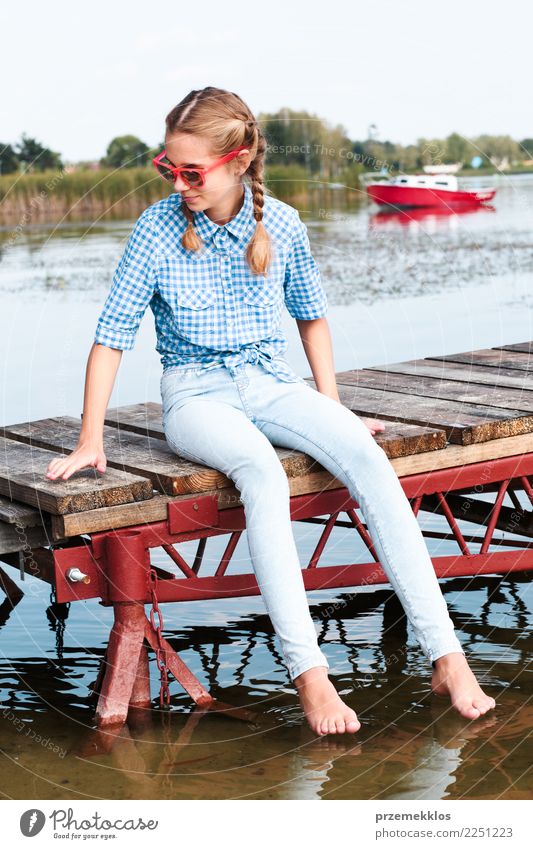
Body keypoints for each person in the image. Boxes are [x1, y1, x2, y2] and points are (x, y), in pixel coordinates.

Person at [45, 86, 495, 736]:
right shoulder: (156, 228)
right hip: (196, 395)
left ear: (237, 158)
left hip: (271, 382)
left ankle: (446, 656)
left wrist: (332, 413)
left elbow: (311, 319)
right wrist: (92, 437)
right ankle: (308, 672)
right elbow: (111, 335)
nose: (179, 183)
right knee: (262, 472)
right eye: (167, 168)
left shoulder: (280, 223)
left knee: (366, 460)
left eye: (191, 171)